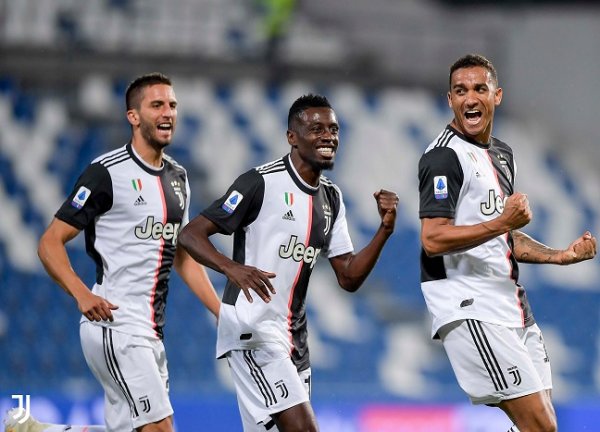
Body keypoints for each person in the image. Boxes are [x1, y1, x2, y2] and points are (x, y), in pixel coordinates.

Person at [178, 94, 398, 431]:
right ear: (292, 137)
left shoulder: (332, 199)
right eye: (316, 129)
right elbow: (191, 234)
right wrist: (232, 268)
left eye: (334, 129)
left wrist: (384, 230)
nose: (328, 136)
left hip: (295, 340)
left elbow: (349, 276)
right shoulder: (260, 183)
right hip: (253, 330)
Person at [20, 73, 221, 432]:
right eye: (156, 105)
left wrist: (221, 310)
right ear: (133, 116)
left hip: (151, 332)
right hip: (115, 323)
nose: (168, 113)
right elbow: (49, 241)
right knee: (160, 428)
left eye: (172, 105)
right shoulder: (106, 173)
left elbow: (182, 256)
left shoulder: (179, 178)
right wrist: (81, 293)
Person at [418, 53, 597, 432]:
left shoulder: (501, 154)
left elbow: (502, 235)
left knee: (542, 424)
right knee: (541, 427)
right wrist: (502, 220)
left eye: (479, 88)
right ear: (449, 99)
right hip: (470, 303)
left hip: (511, 303)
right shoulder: (443, 158)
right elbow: (432, 239)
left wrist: (559, 256)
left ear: (497, 95)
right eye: (460, 90)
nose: (470, 98)